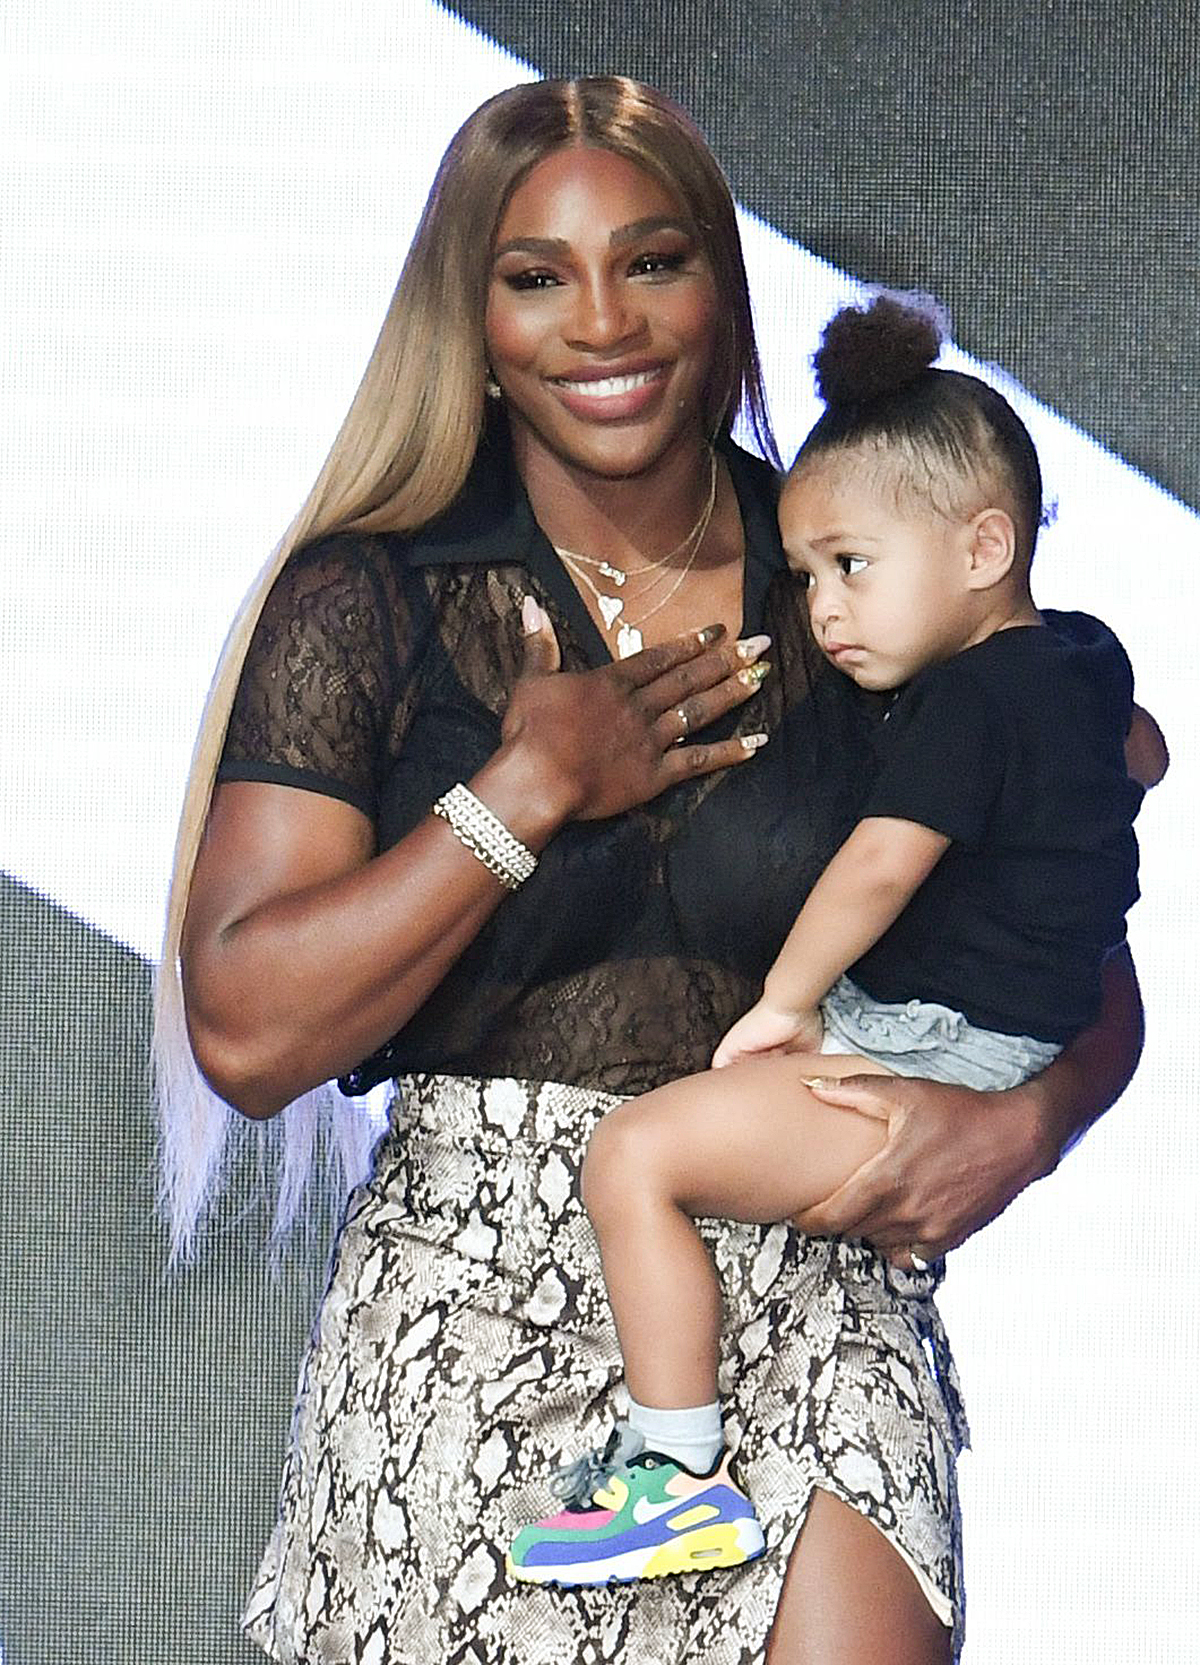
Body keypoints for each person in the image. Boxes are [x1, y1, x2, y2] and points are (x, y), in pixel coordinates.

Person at [154, 77, 1155, 1665]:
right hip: (473, 1316)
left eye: (656, 261)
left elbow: (1080, 947)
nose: (603, 322)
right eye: (538, 276)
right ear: (471, 321)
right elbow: (247, 1032)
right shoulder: (379, 597)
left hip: (810, 1269)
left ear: (724, 290)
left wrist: (1017, 1126)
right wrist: (524, 787)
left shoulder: (852, 580)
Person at [506, 292, 1145, 1591]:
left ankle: (676, 1476)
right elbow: (1149, 751)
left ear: (983, 546)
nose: (825, 611)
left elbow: (876, 867)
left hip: (919, 1052)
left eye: (851, 567)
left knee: (634, 1155)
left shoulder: (965, 706)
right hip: (988, 1040)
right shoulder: (1075, 660)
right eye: (806, 578)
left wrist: (785, 1005)